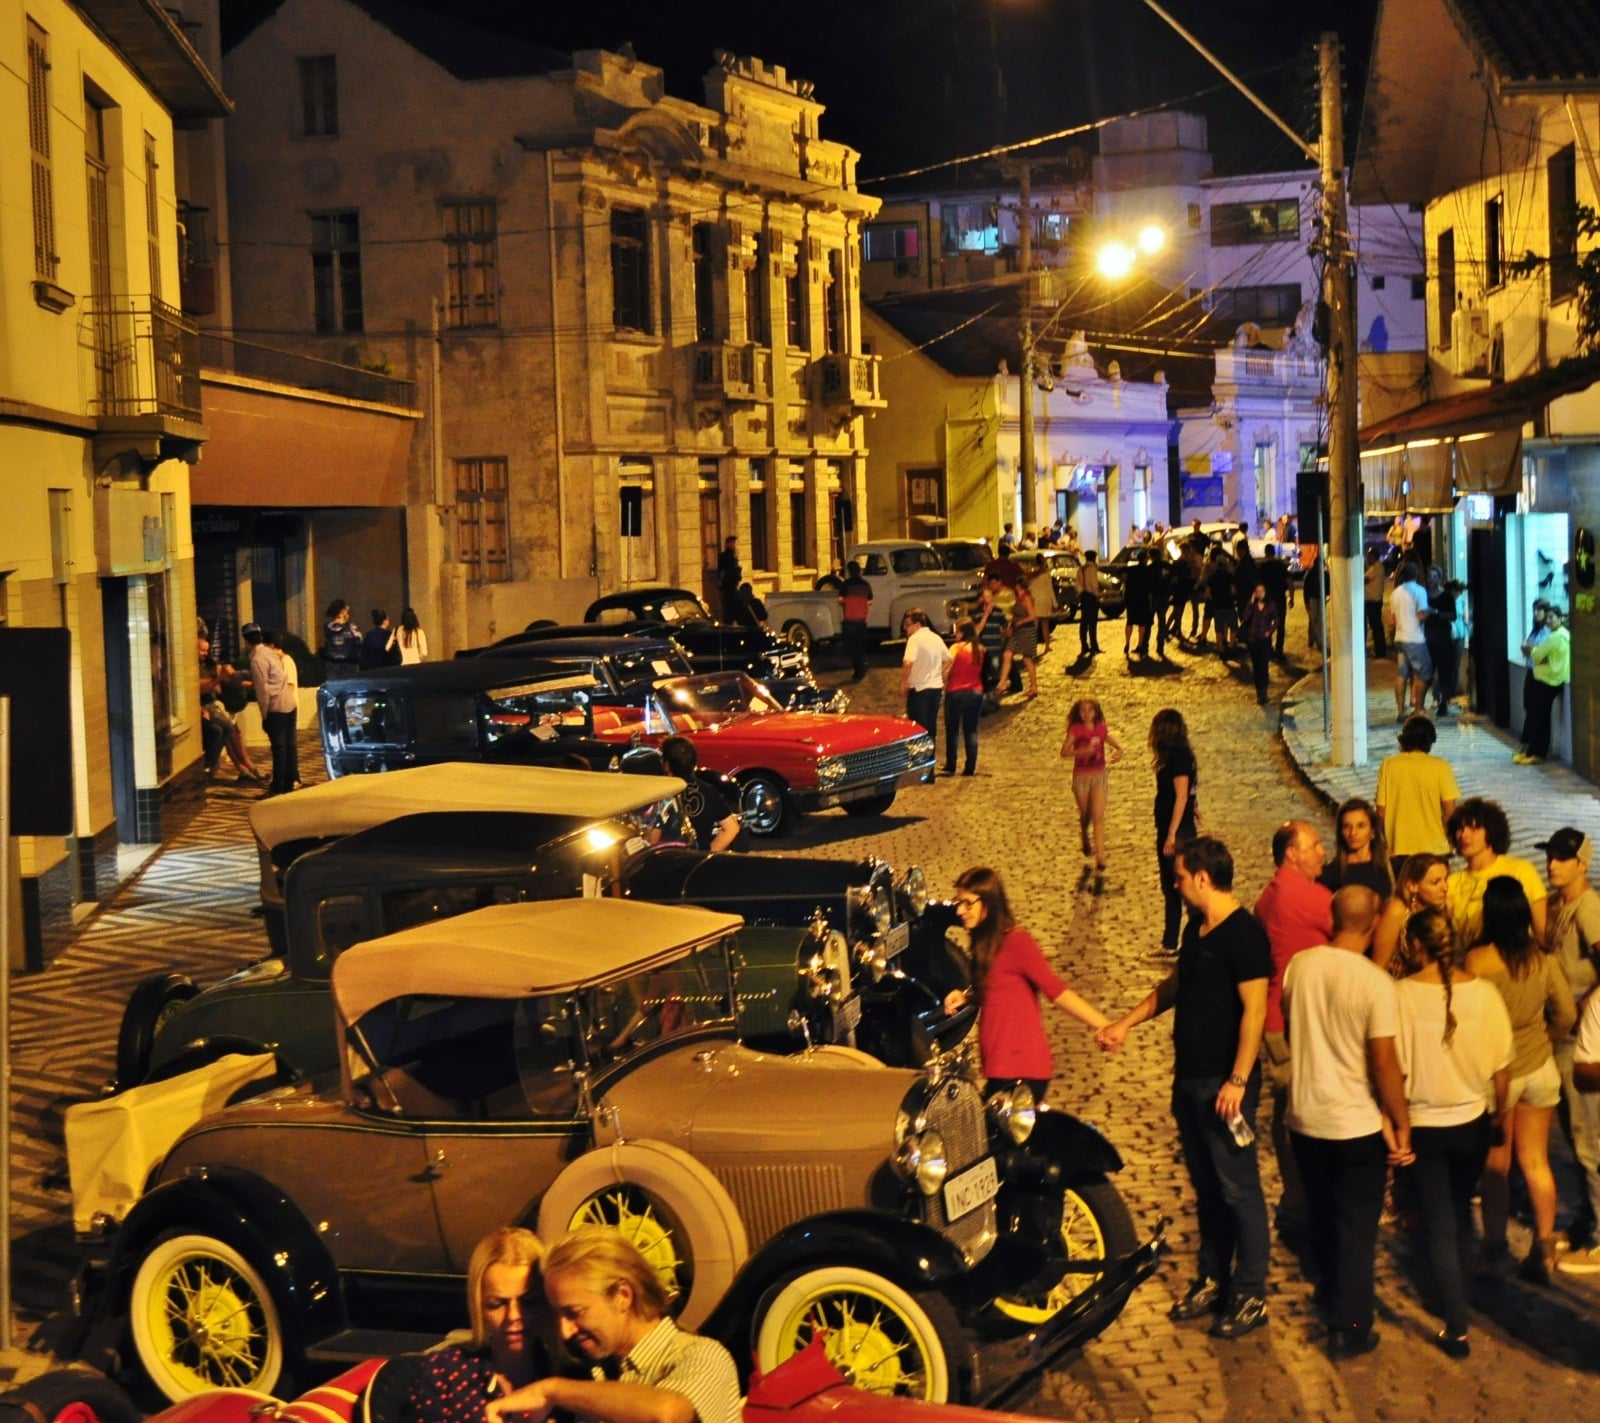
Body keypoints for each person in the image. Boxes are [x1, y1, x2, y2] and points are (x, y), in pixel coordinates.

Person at [1098, 838, 1273, 1340]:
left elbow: (1255, 1012)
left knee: (1240, 1189)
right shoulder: (1200, 930)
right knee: (1208, 1187)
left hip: (1225, 1086)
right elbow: (1177, 985)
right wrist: (1127, 1022)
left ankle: (1250, 1291)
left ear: (1202, 877)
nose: (1173, 884)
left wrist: (1238, 1079)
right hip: (1189, 1079)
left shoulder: (1245, 936)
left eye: (1178, 877)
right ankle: (1213, 1278)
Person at [1282, 885, 1412, 1359]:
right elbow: (1384, 1061)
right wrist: (1401, 1120)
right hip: (1354, 1124)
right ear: (1375, 922)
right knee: (1357, 1228)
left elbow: (1290, 1022)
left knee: (1321, 1215)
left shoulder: (1301, 965)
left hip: (1304, 1116)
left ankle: (1328, 1291)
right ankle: (1351, 1325)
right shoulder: (1374, 982)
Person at [1395, 906, 1513, 1358]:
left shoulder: (1401, 995)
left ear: (1416, 946)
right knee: (1461, 1212)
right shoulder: (1484, 994)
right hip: (1472, 1121)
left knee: (1439, 1223)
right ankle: (1463, 1294)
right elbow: (1502, 1068)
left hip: (1425, 1124)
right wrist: (1501, 1116)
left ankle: (1456, 1322)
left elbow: (1393, 1067)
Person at [487, 1228, 740, 1423]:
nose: (565, 1331)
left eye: (575, 1313)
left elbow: (668, 1414)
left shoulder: (703, 1357)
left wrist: (551, 1390)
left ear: (623, 1295)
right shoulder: (598, 1372)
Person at [1465, 876, 1576, 1282]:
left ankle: (1494, 1248)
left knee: (1497, 1161)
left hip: (1498, 1073)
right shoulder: (1543, 960)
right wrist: (1547, 1037)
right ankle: (1543, 1250)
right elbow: (1565, 1013)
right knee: (1537, 1161)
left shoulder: (1477, 963)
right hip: (1540, 1069)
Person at [941, 867, 1109, 1100]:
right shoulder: (984, 943)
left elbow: (1056, 990)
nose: (960, 910)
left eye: (968, 903)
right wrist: (967, 996)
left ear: (988, 902)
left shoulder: (1017, 942)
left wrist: (1104, 1025)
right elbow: (996, 987)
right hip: (1000, 1068)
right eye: (958, 902)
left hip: (1022, 1069)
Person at [1253, 820, 1334, 1243]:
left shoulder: (1269, 896)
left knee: (1286, 1112)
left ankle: (1294, 1197)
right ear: (1292, 853)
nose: (1323, 852)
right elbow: (1355, 930)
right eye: (1315, 846)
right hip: (1299, 1024)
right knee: (1303, 1118)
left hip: (1275, 1020)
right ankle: (1306, 1201)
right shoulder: (1309, 897)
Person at [401, 1226, 549, 1423]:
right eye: (497, 1304)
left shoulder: (569, 1377)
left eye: (529, 1302)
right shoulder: (444, 1374)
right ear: (478, 1305)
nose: (514, 1316)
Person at [1538, 827, 1600, 1270]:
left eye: (1562, 857)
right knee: (1576, 1134)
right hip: (1563, 1037)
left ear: (1583, 863)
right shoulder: (1562, 905)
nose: (1553, 863)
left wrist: (1582, 1004)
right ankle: (1586, 1221)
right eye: (1551, 856)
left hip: (1582, 1040)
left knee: (1588, 1139)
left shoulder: (1590, 908)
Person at [1445, 796, 1548, 947]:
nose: (1464, 835)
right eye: (1460, 829)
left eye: (1473, 828)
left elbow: (1541, 931)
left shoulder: (1520, 870)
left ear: (1491, 831)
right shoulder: (1451, 882)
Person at [1374, 714, 1459, 871]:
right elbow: (1450, 813)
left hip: (1399, 850)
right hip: (1436, 850)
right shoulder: (1441, 767)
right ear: (1430, 741)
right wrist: (1452, 842)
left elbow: (1381, 812)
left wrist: (1386, 842)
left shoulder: (1389, 765)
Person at [1150, 708, 1199, 960]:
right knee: (1172, 888)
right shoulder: (1182, 755)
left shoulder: (1178, 757)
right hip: (1176, 828)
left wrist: (1171, 834)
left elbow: (1181, 795)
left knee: (1182, 888)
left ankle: (1194, 941)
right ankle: (1171, 943)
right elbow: (1190, 792)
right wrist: (1196, 807)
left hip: (1177, 832)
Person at [198, 628, 266, 785]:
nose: (204, 653)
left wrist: (252, 682)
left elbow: (230, 680)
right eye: (201, 650)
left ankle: (245, 768)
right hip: (206, 706)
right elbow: (201, 687)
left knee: (234, 733)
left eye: (206, 650)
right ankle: (243, 767)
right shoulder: (192, 668)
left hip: (217, 704)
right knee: (230, 730)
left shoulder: (209, 665)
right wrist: (217, 681)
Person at [1062, 698, 1123, 872]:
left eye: (1090, 710)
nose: (1087, 714)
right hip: (1081, 777)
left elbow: (1107, 737)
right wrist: (1083, 751)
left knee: (1098, 815)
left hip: (1099, 775)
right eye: (1083, 710)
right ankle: (1084, 835)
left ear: (1096, 712)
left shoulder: (1100, 727)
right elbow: (1065, 751)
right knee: (1086, 813)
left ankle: (1100, 854)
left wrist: (1119, 749)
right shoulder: (1076, 730)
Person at [1373, 853, 1450, 977]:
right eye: (1435, 882)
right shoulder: (1396, 910)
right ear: (1412, 886)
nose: (1445, 888)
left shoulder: (1445, 907)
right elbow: (1379, 965)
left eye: (1445, 879)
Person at [660, 736, 740, 852]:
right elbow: (732, 828)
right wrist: (706, 853)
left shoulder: (661, 792)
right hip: (696, 864)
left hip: (668, 863)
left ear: (666, 764)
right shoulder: (709, 791)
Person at [251, 625, 299, 796]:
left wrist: (264, 714)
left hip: (277, 707)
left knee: (279, 747)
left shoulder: (259, 658)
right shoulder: (273, 656)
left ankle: (278, 785)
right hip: (289, 705)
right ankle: (289, 782)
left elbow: (262, 689)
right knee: (287, 746)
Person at [1518, 605, 1569, 765]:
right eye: (1548, 618)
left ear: (1560, 618)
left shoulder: (1555, 637)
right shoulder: (1564, 634)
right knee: (1541, 716)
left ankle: (1536, 753)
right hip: (1553, 679)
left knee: (1538, 717)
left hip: (1548, 681)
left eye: (1552, 617)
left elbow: (1537, 655)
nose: (1549, 620)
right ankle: (1535, 752)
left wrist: (1532, 649)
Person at [1319, 797, 1393, 900]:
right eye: (1346, 826)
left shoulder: (1391, 867)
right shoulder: (1329, 875)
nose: (1353, 833)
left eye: (1361, 826)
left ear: (1373, 831)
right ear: (1340, 832)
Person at [981, 574, 1037, 698]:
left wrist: (1019, 622)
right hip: (1018, 631)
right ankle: (1003, 682)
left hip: (1026, 631)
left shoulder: (1026, 597)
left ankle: (1033, 686)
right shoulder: (1020, 597)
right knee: (1007, 654)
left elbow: (1033, 615)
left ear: (1018, 585)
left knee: (1026, 659)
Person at [1387, 563, 1430, 721]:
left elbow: (1391, 620)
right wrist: (1429, 612)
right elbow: (1421, 615)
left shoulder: (1395, 593)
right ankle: (1418, 710)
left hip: (1399, 638)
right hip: (1415, 638)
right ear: (1417, 574)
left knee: (1401, 674)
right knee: (1423, 673)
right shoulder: (1420, 591)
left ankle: (1400, 710)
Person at [941, 618, 984, 776]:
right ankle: (970, 767)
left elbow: (947, 664)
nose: (955, 633)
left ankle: (951, 764)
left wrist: (943, 677)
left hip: (956, 691)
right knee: (971, 730)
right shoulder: (980, 649)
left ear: (962, 632)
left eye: (957, 631)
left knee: (952, 730)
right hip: (976, 691)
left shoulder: (956, 648)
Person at [900, 607, 950, 740]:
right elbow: (948, 659)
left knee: (918, 726)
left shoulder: (914, 639)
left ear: (917, 624)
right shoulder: (936, 637)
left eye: (907, 625)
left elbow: (908, 663)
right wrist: (940, 672)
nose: (906, 628)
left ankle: (920, 755)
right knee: (931, 724)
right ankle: (930, 752)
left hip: (919, 689)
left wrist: (904, 683)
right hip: (935, 689)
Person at [1514, 598, 1552, 760]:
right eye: (1535, 610)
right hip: (1531, 672)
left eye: (1539, 610)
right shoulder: (1535, 630)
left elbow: (1541, 655)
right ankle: (1528, 745)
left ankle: (1537, 750)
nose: (1536, 614)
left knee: (1539, 712)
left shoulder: (1548, 632)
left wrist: (1530, 650)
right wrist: (1530, 650)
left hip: (1541, 675)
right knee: (1529, 707)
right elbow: (1528, 649)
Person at [1424, 567, 1457, 716]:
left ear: (1439, 577)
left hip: (1443, 638)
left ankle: (1444, 702)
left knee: (1445, 672)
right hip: (1428, 638)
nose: (1431, 579)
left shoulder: (1446, 596)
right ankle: (1433, 698)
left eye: (1434, 576)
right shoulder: (1423, 594)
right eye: (1429, 576)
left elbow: (1452, 616)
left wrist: (1435, 612)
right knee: (1428, 672)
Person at [1241, 582, 1278, 704]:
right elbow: (1245, 617)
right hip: (1253, 639)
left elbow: (1277, 619)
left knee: (1264, 666)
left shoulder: (1270, 605)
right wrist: (1251, 602)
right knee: (1256, 667)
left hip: (1264, 640)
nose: (1260, 594)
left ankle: (1264, 693)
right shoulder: (1253, 605)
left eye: (1262, 591)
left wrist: (1270, 632)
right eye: (1257, 591)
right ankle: (1259, 693)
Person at [838, 561, 872, 680]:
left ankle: (859, 669)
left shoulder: (846, 584)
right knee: (859, 646)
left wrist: (848, 602)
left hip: (850, 619)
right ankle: (861, 668)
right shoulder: (865, 584)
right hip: (862, 620)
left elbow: (840, 599)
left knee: (851, 647)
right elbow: (870, 601)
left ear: (849, 571)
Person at [322, 598, 364, 678]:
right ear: (341, 612)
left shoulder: (328, 626)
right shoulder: (349, 627)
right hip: (346, 663)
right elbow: (359, 639)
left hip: (337, 663)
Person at [1076, 550, 1102, 657]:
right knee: (1092, 623)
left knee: (1084, 622)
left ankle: (1084, 645)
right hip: (1091, 597)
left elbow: (1077, 584)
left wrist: (1081, 593)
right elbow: (1094, 584)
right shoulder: (1092, 569)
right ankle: (1094, 645)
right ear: (1094, 558)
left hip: (1083, 596)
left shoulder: (1081, 569)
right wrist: (1097, 595)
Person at [1362, 548, 1387, 659]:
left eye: (1369, 556)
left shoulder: (1376, 567)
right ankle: (1380, 649)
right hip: (1374, 600)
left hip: (1373, 601)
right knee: (1376, 626)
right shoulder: (1376, 567)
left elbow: (1364, 579)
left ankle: (1380, 651)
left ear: (1373, 556)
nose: (1367, 558)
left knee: (1376, 627)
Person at [717, 536, 741, 622]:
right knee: (728, 605)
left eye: (735, 543)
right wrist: (721, 580)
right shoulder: (725, 556)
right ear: (728, 544)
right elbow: (723, 570)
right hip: (728, 585)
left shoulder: (734, 556)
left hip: (733, 584)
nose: (734, 545)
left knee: (733, 604)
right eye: (732, 543)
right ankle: (728, 621)